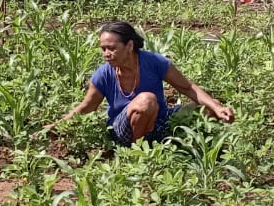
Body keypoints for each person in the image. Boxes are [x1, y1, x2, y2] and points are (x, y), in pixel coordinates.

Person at [53, 21, 234, 146]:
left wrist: (217, 108)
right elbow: (87, 107)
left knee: (208, 106)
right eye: (103, 49)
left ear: (130, 46)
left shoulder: (154, 62)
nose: (106, 53)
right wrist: (55, 127)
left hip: (160, 122)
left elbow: (187, 87)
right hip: (123, 131)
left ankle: (203, 144)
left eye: (112, 48)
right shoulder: (103, 74)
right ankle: (137, 151)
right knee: (146, 100)